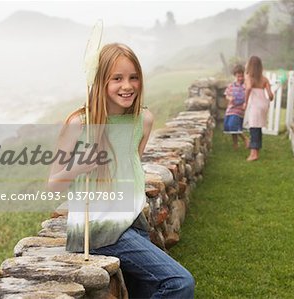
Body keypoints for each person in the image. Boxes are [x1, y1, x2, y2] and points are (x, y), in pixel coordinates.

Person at [48, 43, 194, 298]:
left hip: (133, 218)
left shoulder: (143, 121)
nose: (127, 86)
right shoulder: (79, 124)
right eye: (117, 78)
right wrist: (81, 165)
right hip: (97, 228)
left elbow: (131, 167)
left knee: (145, 292)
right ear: (101, 81)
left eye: (133, 77)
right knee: (179, 282)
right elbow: (54, 183)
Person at [242, 56, 274, 161]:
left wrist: (245, 102)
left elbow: (249, 88)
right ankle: (257, 150)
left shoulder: (248, 77)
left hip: (255, 105)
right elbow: (270, 95)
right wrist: (269, 96)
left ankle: (253, 154)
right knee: (258, 128)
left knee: (254, 128)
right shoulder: (264, 79)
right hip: (263, 104)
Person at [223, 64, 250, 151]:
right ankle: (235, 144)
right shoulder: (231, 85)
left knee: (233, 125)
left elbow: (248, 96)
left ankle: (245, 139)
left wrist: (245, 103)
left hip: (239, 109)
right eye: (238, 76)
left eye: (242, 76)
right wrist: (229, 98)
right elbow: (226, 95)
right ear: (235, 76)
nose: (240, 78)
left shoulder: (245, 86)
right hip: (230, 108)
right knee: (230, 127)